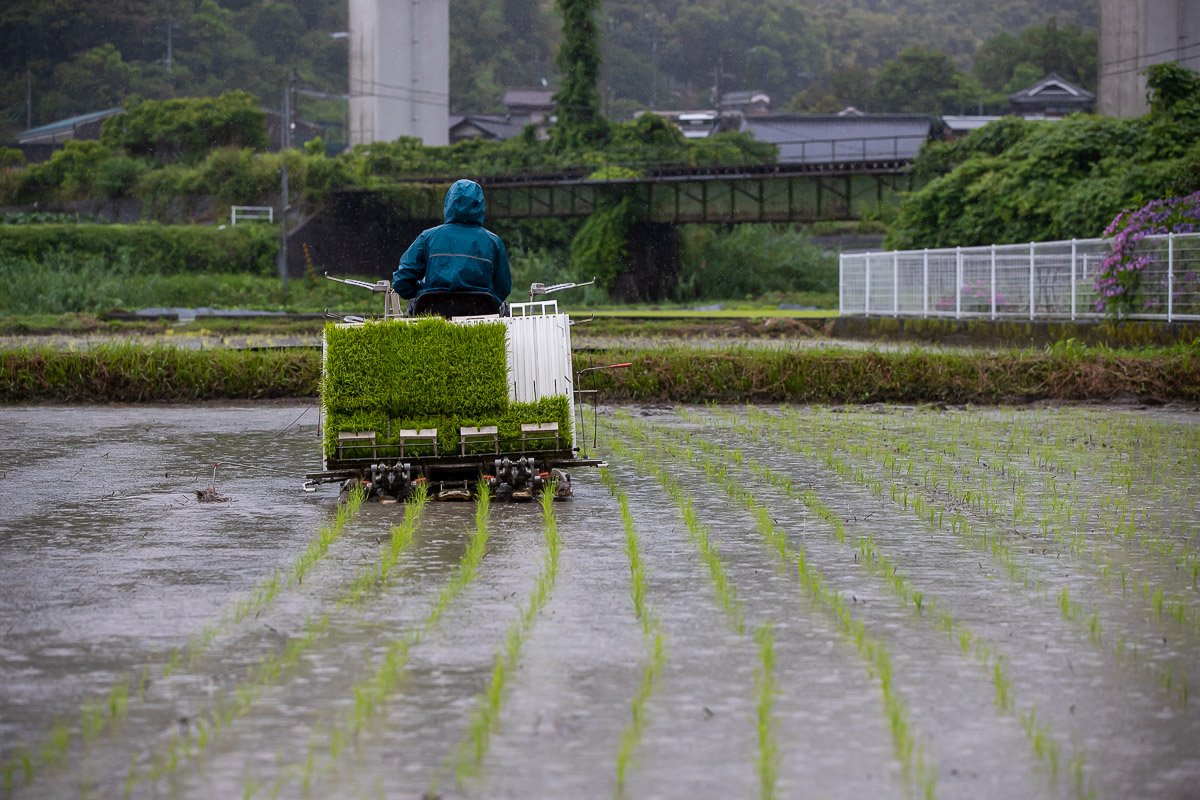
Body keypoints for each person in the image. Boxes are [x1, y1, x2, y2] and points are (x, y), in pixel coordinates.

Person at [392, 179, 512, 315]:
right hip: (481, 313)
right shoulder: (493, 242)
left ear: (449, 203)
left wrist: (422, 290)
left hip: (432, 312)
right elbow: (503, 288)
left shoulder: (428, 237)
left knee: (415, 303)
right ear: (480, 205)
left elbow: (401, 281)